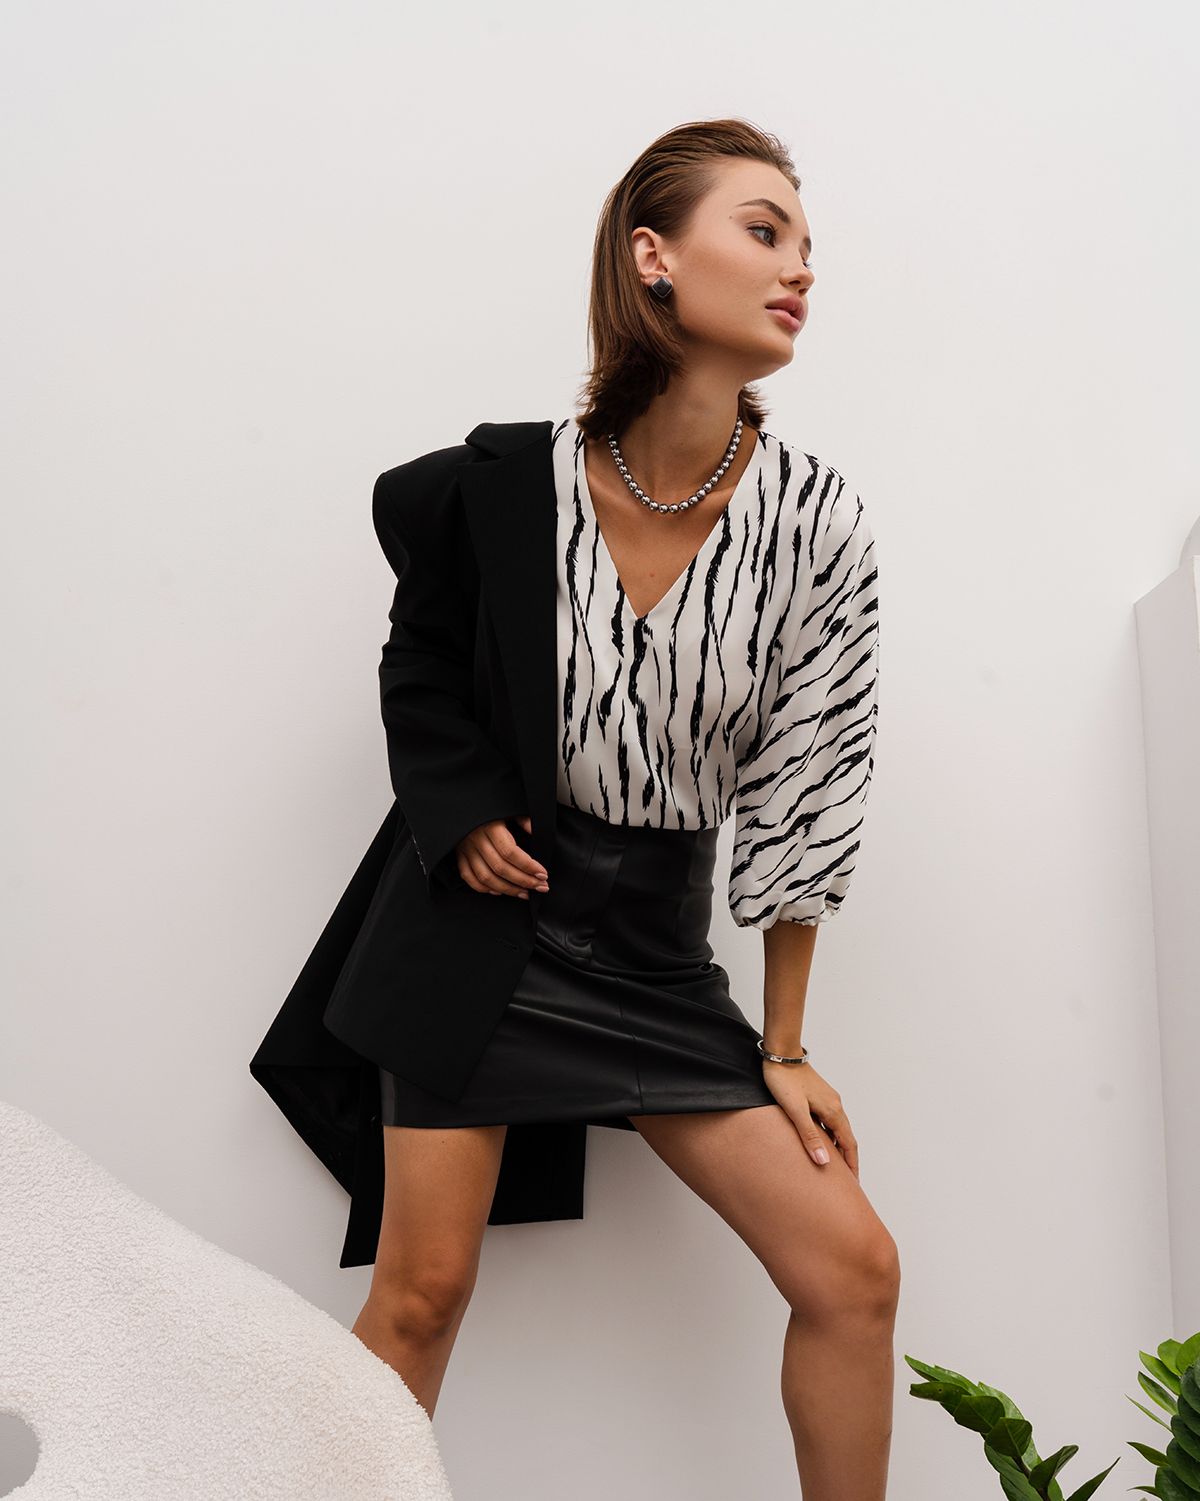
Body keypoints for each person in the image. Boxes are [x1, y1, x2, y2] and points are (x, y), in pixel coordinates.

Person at [251, 117, 897, 1499]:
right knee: (422, 1293)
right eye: (764, 231)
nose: (801, 269)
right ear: (653, 257)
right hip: (485, 937)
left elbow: (812, 781)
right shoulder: (503, 485)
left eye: (808, 245)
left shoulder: (816, 522)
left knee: (853, 1272)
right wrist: (459, 804)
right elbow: (422, 661)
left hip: (658, 955)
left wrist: (783, 1042)